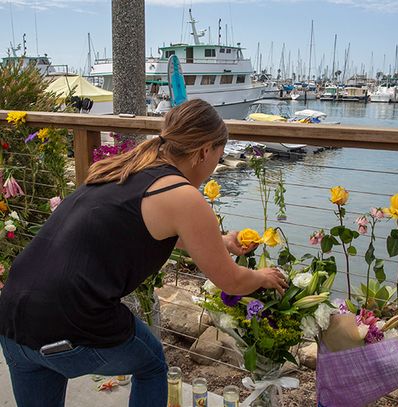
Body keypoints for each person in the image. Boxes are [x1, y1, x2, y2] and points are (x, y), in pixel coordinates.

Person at [0, 99, 288, 407]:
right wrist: (263, 277)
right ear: (205, 151)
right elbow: (230, 281)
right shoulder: (183, 195)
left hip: (12, 319)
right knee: (150, 365)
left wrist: (220, 241)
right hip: (73, 324)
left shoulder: (122, 169)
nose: (213, 167)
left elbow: (139, 226)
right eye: (217, 158)